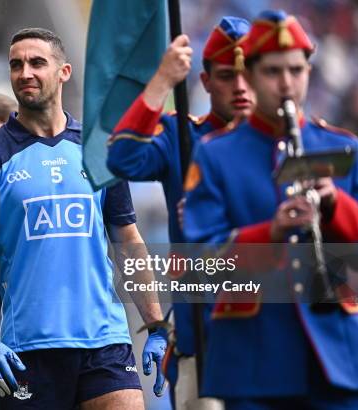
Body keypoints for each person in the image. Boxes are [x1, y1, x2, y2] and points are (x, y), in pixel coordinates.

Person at [0, 27, 166, 410]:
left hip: (105, 341)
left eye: (37, 62)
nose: (25, 73)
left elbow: (129, 241)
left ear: (64, 72)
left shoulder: (97, 149)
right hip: (28, 351)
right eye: (16, 65)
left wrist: (156, 325)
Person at [183, 10, 358, 409]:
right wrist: (272, 232)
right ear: (249, 76)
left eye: (297, 70)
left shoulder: (344, 147)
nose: (287, 83)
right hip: (255, 361)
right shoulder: (215, 155)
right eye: (274, 71)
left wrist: (335, 205)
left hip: (338, 354)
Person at [106, 16, 253, 407]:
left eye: (249, 74)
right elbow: (123, 157)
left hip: (276, 333)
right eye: (226, 76)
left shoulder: (293, 141)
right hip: (205, 338)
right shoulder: (182, 136)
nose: (240, 87)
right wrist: (162, 82)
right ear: (205, 82)